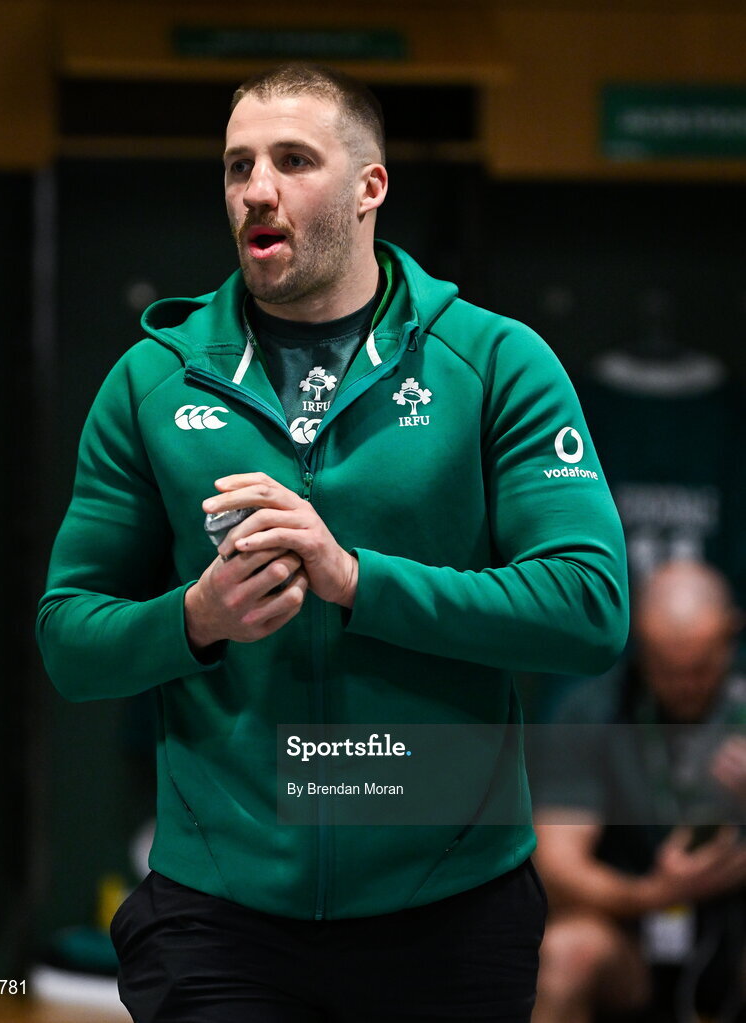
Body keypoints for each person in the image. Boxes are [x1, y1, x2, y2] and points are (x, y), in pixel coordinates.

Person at [37, 63, 629, 1022]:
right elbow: (70, 636)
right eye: (237, 166)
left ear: (370, 188)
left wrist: (357, 580)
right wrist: (194, 618)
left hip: (449, 906)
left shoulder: (494, 362)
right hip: (219, 913)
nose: (255, 189)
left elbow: (589, 607)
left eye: (293, 160)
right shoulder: (153, 381)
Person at [532, 559, 746, 1023]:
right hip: (632, 931)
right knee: (563, 958)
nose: (686, 686)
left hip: (735, 927)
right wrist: (654, 892)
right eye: (668, 670)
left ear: (731, 635)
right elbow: (555, 865)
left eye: (702, 668)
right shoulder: (594, 708)